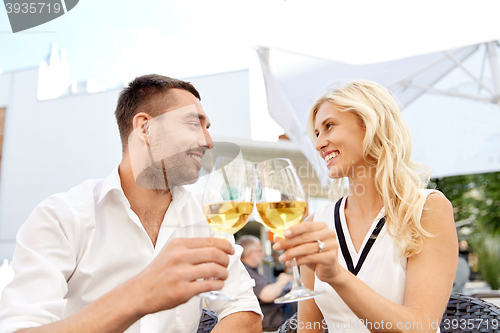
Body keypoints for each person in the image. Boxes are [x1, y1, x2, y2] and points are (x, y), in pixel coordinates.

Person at [0, 74, 262, 333]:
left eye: (207, 128)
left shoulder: (208, 217)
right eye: (194, 124)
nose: (207, 141)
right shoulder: (60, 217)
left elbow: (245, 313)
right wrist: (137, 295)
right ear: (145, 128)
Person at [273, 80, 458, 332]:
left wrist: (336, 275)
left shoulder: (427, 209)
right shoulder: (316, 223)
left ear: (370, 125)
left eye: (329, 126)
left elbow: (420, 326)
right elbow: (309, 328)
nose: (318, 144)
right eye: (317, 133)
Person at [237, 235, 294, 331]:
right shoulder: (244, 272)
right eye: (260, 251)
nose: (263, 254)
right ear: (250, 254)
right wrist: (282, 281)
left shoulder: (251, 270)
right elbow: (267, 295)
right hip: (275, 317)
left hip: (280, 311)